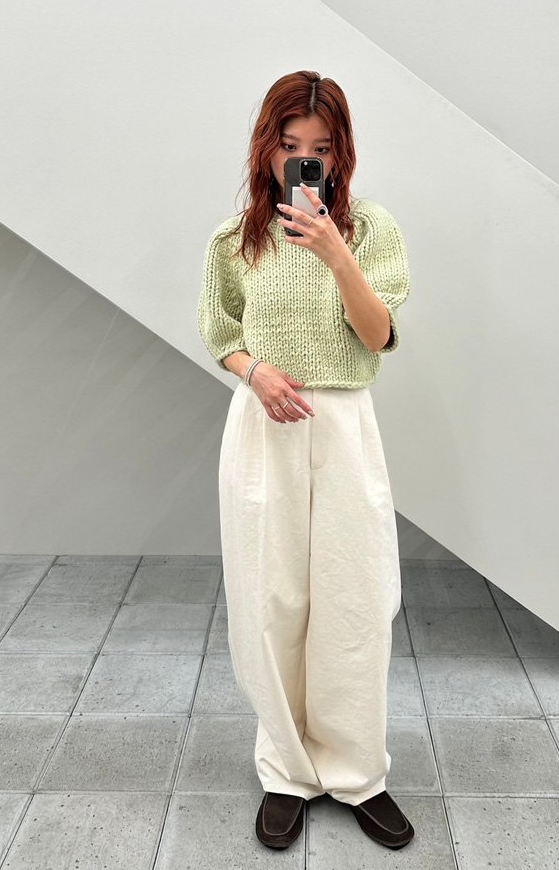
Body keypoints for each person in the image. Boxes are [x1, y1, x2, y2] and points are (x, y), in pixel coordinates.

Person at [196, 70, 414, 851]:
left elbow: (379, 335)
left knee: (356, 601)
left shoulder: (372, 230)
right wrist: (254, 371)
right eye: (290, 145)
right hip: (265, 428)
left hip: (345, 424)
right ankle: (286, 772)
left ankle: (358, 774)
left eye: (320, 147)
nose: (305, 159)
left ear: (340, 152)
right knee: (271, 600)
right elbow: (219, 331)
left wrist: (335, 252)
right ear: (268, 147)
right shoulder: (235, 240)